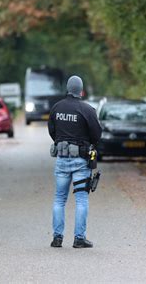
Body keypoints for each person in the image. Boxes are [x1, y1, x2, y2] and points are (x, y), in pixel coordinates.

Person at [48, 75, 102, 248]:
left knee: (59, 199)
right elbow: (97, 135)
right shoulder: (87, 110)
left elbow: (52, 131)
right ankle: (79, 239)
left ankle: (57, 238)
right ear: (81, 90)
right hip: (80, 161)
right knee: (81, 200)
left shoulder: (57, 108)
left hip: (62, 160)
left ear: (67, 89)